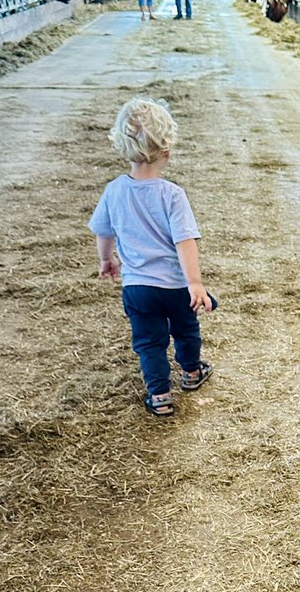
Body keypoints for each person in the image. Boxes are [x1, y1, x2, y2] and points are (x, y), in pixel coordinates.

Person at [89, 97, 215, 417]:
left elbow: (103, 232)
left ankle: (159, 395)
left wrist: (106, 261)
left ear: (122, 146)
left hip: (138, 288)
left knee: (149, 342)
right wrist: (195, 283)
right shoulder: (172, 194)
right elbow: (185, 241)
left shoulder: (114, 190)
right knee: (186, 331)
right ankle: (190, 373)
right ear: (167, 150)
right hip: (175, 287)